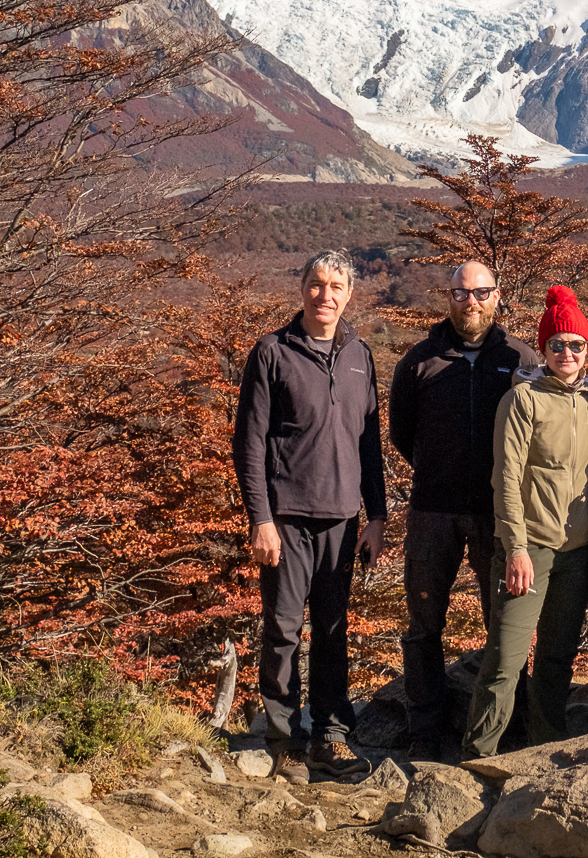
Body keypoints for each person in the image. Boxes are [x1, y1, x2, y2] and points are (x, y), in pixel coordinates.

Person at [232, 251, 387, 784]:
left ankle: (329, 735)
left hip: (343, 519)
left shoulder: (359, 354)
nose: (326, 295)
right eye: (317, 284)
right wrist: (261, 518)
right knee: (281, 629)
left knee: (333, 630)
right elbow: (248, 443)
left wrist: (377, 516)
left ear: (349, 294)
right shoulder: (273, 351)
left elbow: (370, 445)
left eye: (336, 285)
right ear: (302, 289)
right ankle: (281, 737)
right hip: (287, 517)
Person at [388, 260, 540, 761]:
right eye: (460, 293)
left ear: (497, 297)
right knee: (424, 624)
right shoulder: (418, 361)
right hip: (433, 512)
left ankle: (511, 727)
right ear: (448, 297)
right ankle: (424, 730)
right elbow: (402, 436)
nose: (470, 301)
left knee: (506, 624)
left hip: (498, 514)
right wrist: (438, 470)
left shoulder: (520, 358)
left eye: (480, 293)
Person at [462, 285, 588, 759]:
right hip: (529, 548)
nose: (567, 352)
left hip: (578, 549)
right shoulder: (523, 399)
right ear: (543, 349)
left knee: (558, 658)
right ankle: (478, 756)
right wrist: (515, 548)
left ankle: (543, 749)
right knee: (505, 658)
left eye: (576, 344)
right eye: (557, 344)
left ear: (587, 349)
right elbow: (505, 478)